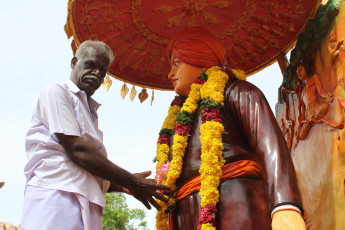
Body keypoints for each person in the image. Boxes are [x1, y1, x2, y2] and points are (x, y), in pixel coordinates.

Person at [155, 27, 306, 230]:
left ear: (200, 57)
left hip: (239, 210)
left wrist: (285, 205)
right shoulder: (179, 119)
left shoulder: (238, 92)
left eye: (176, 62)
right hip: (187, 217)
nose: (170, 73)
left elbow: (271, 147)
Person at [21, 40, 169, 230]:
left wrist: (124, 185)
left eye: (103, 70)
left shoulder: (90, 111)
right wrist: (132, 182)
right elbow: (78, 151)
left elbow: (87, 169)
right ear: (74, 63)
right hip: (56, 195)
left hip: (86, 202)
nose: (97, 73)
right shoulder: (56, 92)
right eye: (90, 65)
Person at [296, 63, 333, 139]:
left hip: (316, 108)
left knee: (325, 106)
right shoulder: (302, 93)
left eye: (300, 70)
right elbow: (303, 112)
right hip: (308, 116)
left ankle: (312, 121)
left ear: (306, 69)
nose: (298, 73)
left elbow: (321, 92)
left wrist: (327, 96)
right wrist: (299, 125)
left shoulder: (314, 78)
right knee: (301, 135)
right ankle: (311, 122)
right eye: (297, 73)